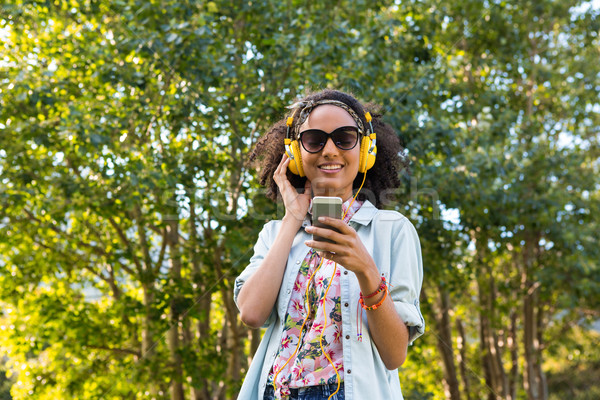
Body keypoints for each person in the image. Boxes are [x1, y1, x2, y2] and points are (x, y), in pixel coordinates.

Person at [234, 89, 425, 400]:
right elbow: (252, 314)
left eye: (345, 138)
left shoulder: (394, 232)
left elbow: (394, 355)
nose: (330, 150)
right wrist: (292, 220)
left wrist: (366, 271)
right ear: (295, 155)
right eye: (314, 140)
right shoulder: (274, 233)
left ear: (366, 151)